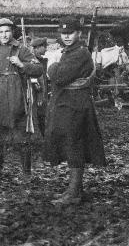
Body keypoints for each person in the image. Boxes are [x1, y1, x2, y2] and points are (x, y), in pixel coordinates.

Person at [43, 17, 107, 204]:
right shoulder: (70, 51)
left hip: (75, 105)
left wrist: (52, 65)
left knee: (74, 144)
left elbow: (60, 77)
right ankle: (74, 189)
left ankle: (73, 194)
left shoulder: (79, 53)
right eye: (63, 34)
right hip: (69, 104)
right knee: (72, 143)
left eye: (70, 33)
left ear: (79, 33)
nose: (67, 36)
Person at [0, 18, 43, 184]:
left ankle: (26, 173)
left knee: (22, 138)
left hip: (18, 99)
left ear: (12, 32)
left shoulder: (21, 50)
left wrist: (22, 65)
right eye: (0, 32)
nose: (4, 35)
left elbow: (38, 69)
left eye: (7, 31)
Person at [30, 37, 50, 137]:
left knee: (42, 115)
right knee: (38, 115)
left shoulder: (40, 60)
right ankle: (40, 137)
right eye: (44, 47)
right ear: (38, 48)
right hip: (36, 93)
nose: (46, 49)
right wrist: (40, 95)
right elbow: (34, 80)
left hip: (41, 92)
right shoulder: (33, 61)